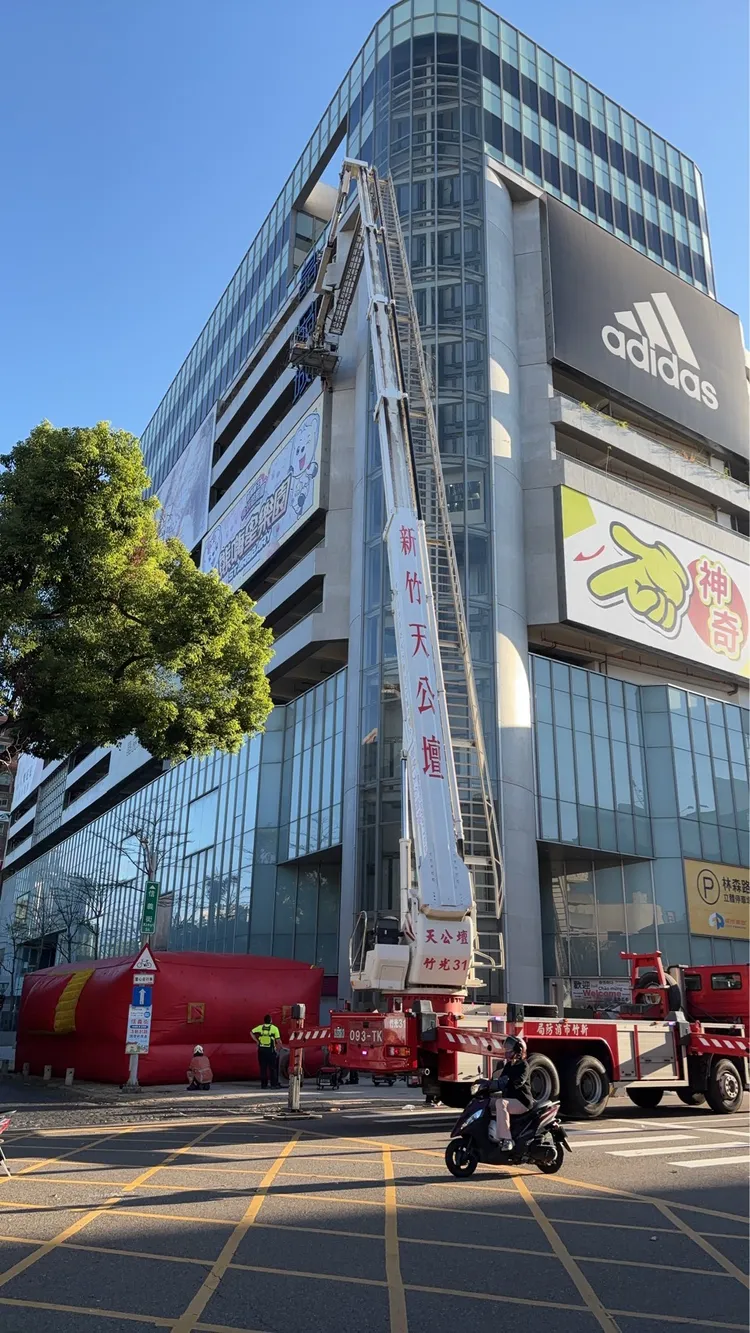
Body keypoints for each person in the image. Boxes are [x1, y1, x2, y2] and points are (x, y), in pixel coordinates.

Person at [489, 1035, 532, 1150]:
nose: (507, 1052)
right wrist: (489, 1085)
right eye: (506, 1049)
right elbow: (502, 1079)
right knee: (489, 1103)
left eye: (509, 1050)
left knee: (501, 1103)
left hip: (522, 1101)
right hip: (511, 1099)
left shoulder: (524, 1066)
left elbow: (518, 1082)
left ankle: (507, 1140)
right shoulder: (508, 1065)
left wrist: (505, 1083)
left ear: (518, 1050)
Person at [251, 1014, 281, 1089]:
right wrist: (279, 1048)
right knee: (272, 1068)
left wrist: (257, 1041)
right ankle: (273, 1084)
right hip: (270, 1051)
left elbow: (251, 1032)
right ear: (271, 1021)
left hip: (261, 1051)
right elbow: (278, 1040)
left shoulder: (260, 1027)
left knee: (263, 1068)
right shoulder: (274, 1028)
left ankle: (264, 1085)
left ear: (264, 1021)